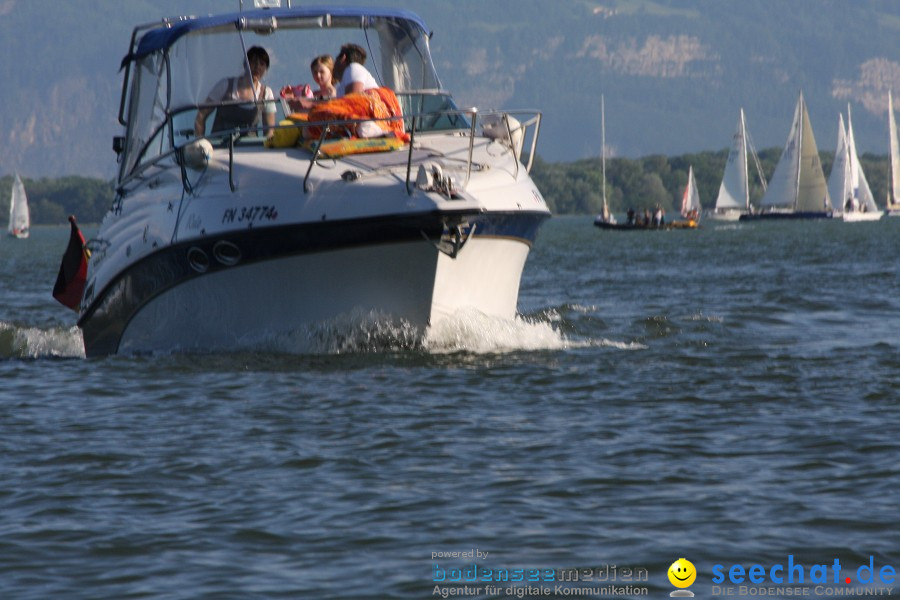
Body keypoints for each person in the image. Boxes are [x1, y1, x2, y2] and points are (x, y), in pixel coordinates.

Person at [194, 46, 276, 138]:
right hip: (220, 148)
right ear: (245, 64)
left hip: (251, 149)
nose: (257, 67)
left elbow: (269, 131)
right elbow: (201, 116)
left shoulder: (267, 94)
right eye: (253, 62)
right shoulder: (224, 86)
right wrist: (199, 141)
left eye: (262, 64)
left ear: (266, 69)